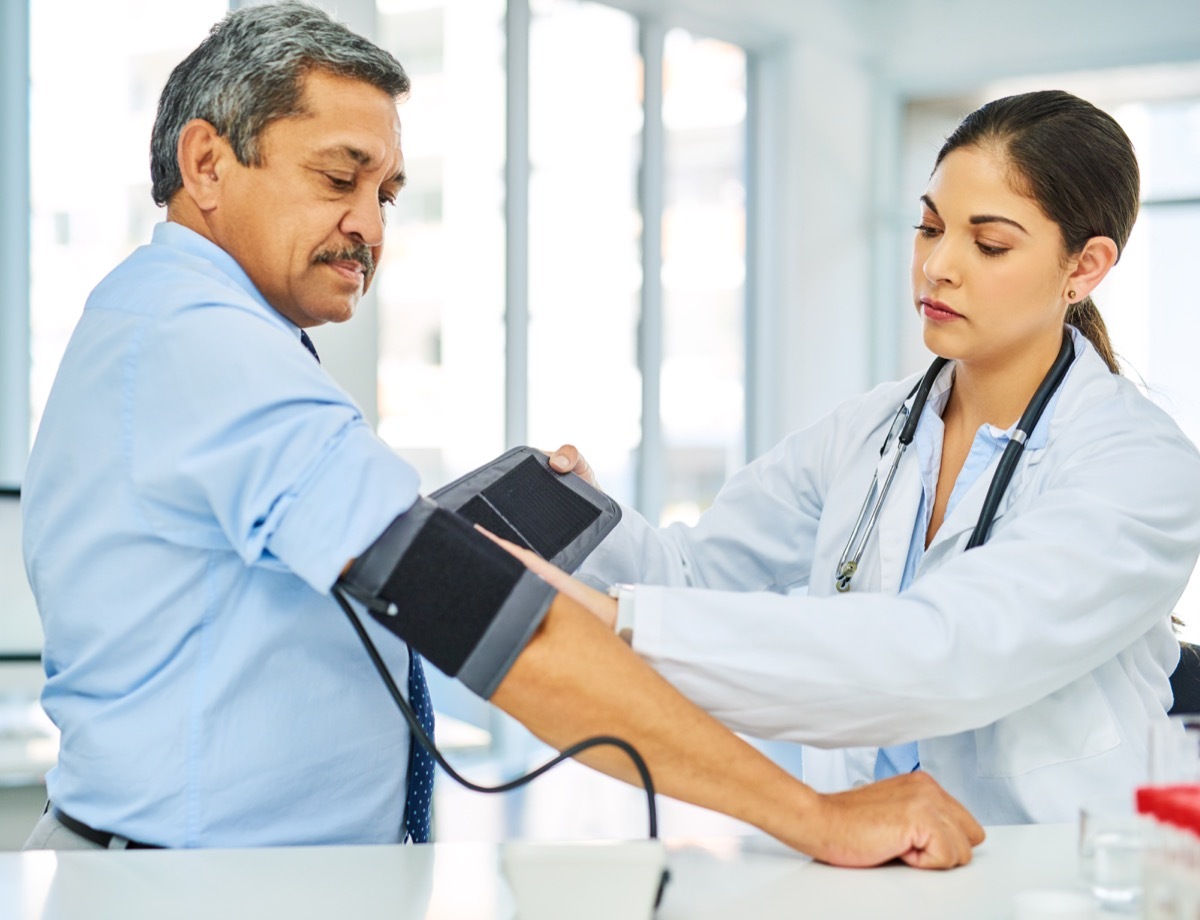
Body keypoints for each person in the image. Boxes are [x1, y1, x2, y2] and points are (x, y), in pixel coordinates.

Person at [19, 1, 982, 867]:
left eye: (388, 195)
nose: (368, 226)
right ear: (206, 165)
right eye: (338, 178)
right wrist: (812, 814)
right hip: (188, 885)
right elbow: (469, 613)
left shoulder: (186, 325)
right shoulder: (203, 343)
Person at [540, 89, 1200, 825]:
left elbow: (942, 654)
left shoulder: (1141, 467)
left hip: (1052, 875)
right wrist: (584, 526)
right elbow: (695, 573)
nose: (938, 266)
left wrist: (624, 622)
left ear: (1085, 266)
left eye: (989, 244)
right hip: (873, 856)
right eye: (928, 227)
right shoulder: (872, 430)